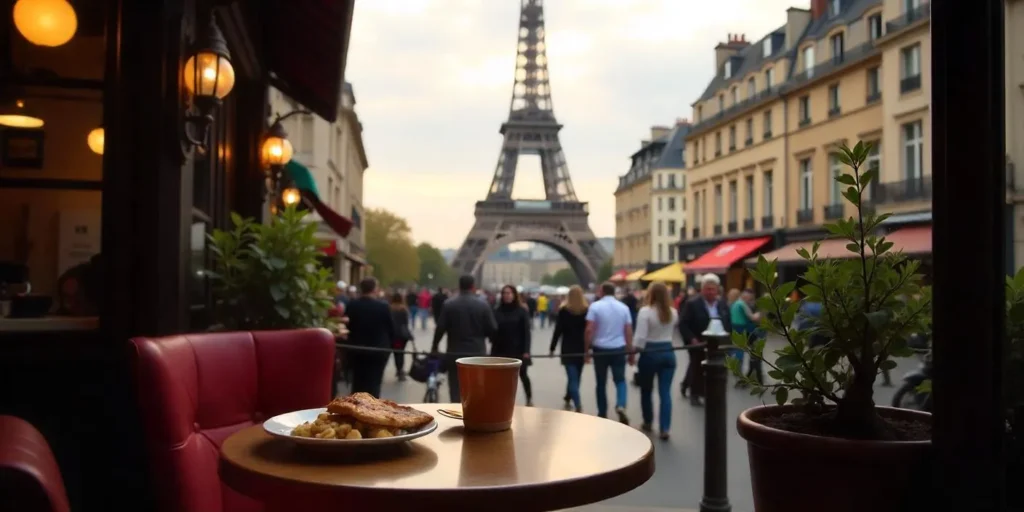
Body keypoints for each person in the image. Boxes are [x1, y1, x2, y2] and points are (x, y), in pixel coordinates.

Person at [431, 275, 498, 402]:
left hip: (454, 351)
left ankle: (457, 410)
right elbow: (493, 329)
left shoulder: (449, 304)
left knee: (455, 389)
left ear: (459, 286)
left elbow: (440, 329)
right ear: (473, 286)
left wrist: (434, 347)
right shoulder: (483, 305)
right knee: (476, 388)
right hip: (477, 351)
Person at [585, 281, 635, 424]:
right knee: (620, 380)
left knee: (601, 382)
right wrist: (630, 351)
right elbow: (628, 330)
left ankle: (602, 412)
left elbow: (589, 329)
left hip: (600, 348)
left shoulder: (595, 306)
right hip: (618, 348)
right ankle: (621, 404)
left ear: (602, 291)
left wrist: (586, 350)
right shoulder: (623, 308)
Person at [634, 281, 678, 439]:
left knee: (646, 390)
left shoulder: (645, 312)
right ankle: (665, 428)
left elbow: (640, 337)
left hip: (650, 352)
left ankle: (648, 421)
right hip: (668, 351)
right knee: (665, 392)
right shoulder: (673, 312)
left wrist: (634, 352)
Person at [678, 274, 731, 406]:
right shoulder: (692, 304)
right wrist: (692, 338)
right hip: (698, 342)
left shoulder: (722, 304)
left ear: (717, 289)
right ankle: (695, 394)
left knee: (713, 369)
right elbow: (683, 323)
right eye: (708, 289)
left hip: (717, 343)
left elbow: (728, 321)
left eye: (713, 289)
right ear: (702, 290)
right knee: (697, 367)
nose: (710, 292)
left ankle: (695, 388)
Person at [343, 277, 396, 397]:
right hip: (378, 350)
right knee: (374, 383)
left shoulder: (352, 305)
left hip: (357, 350)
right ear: (374, 289)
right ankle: (372, 405)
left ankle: (357, 404)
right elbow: (391, 329)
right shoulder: (383, 307)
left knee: (358, 383)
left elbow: (347, 325)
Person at [490, 284, 534, 406]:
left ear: (514, 295)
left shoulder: (521, 311)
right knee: (501, 377)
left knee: (523, 375)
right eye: (504, 293)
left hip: (518, 349)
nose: (506, 295)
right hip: (501, 349)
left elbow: (526, 333)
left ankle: (529, 397)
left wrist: (526, 351)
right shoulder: (497, 311)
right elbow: (492, 329)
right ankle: (503, 400)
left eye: (509, 293)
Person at [551, 285, 588, 412]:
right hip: (581, 348)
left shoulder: (564, 311)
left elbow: (558, 331)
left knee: (572, 377)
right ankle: (570, 396)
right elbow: (589, 331)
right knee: (576, 376)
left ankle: (577, 403)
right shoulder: (586, 310)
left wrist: (552, 348)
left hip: (567, 348)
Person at [730, 289, 761, 387]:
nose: (750, 300)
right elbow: (753, 317)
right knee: (742, 353)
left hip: (735, 330)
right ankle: (741, 375)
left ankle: (738, 373)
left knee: (738, 351)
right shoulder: (742, 304)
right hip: (743, 330)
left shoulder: (735, 304)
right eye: (749, 298)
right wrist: (760, 313)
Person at [388, 292, 415, 382]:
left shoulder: (389, 309)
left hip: (391, 334)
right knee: (400, 353)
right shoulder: (403, 309)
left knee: (391, 353)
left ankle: (397, 369)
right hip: (400, 335)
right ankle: (400, 370)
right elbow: (405, 323)